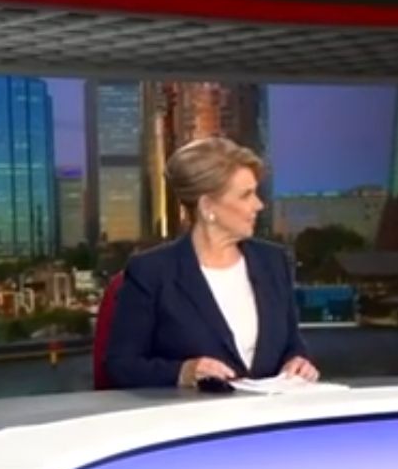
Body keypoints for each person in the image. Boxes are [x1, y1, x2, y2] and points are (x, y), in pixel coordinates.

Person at [102, 137, 318, 389]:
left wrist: (298, 361)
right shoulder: (151, 272)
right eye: (246, 195)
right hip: (192, 412)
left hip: (268, 412)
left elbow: (291, 342)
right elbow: (122, 365)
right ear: (207, 207)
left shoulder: (274, 261)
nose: (259, 205)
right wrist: (183, 372)